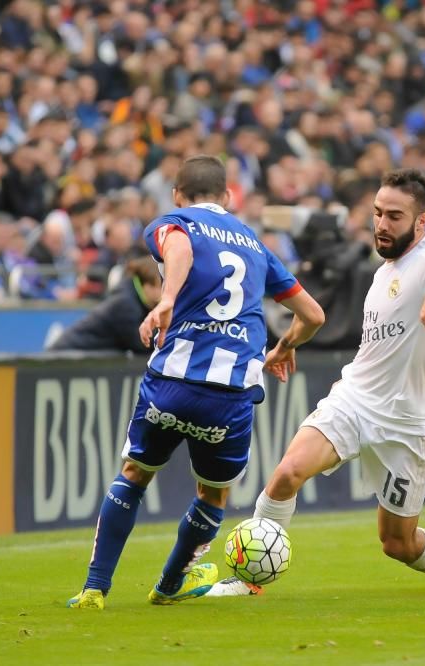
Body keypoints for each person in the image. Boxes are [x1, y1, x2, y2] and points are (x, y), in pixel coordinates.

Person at [208, 168, 425, 597]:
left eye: (394, 216)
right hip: (355, 400)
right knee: (287, 473)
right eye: (377, 213)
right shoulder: (382, 272)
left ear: (420, 222)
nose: (381, 224)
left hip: (407, 421)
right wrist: (286, 343)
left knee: (397, 543)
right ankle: (249, 582)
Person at [68, 155, 325, 610]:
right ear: (227, 196)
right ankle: (169, 586)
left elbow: (181, 248)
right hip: (228, 397)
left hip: (171, 382)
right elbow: (313, 315)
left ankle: (94, 588)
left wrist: (167, 299)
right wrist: (285, 346)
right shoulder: (256, 245)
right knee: (213, 493)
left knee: (134, 474)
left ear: (177, 194)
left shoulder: (173, 222)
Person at [48, 256, 163, 354]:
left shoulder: (131, 296)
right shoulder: (125, 304)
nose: (165, 291)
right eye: (161, 285)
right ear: (147, 285)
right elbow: (142, 344)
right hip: (66, 354)